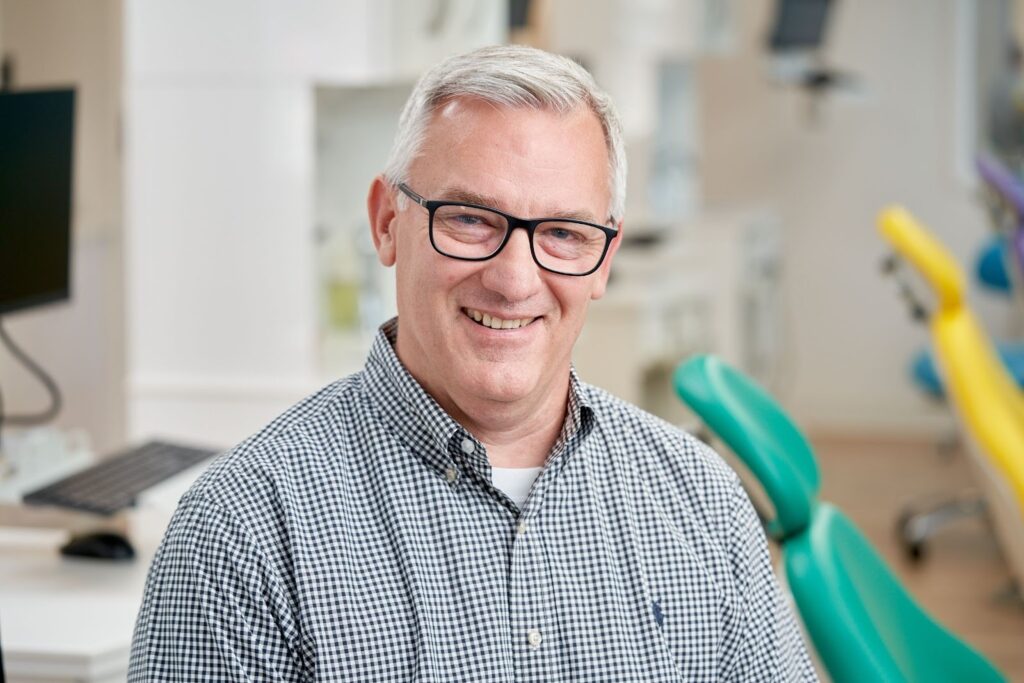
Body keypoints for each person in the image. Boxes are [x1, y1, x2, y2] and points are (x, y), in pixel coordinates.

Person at [128, 45, 816, 681]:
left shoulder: (702, 500)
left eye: (565, 232)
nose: (515, 280)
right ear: (387, 222)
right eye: (470, 220)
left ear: (604, 258)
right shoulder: (241, 534)